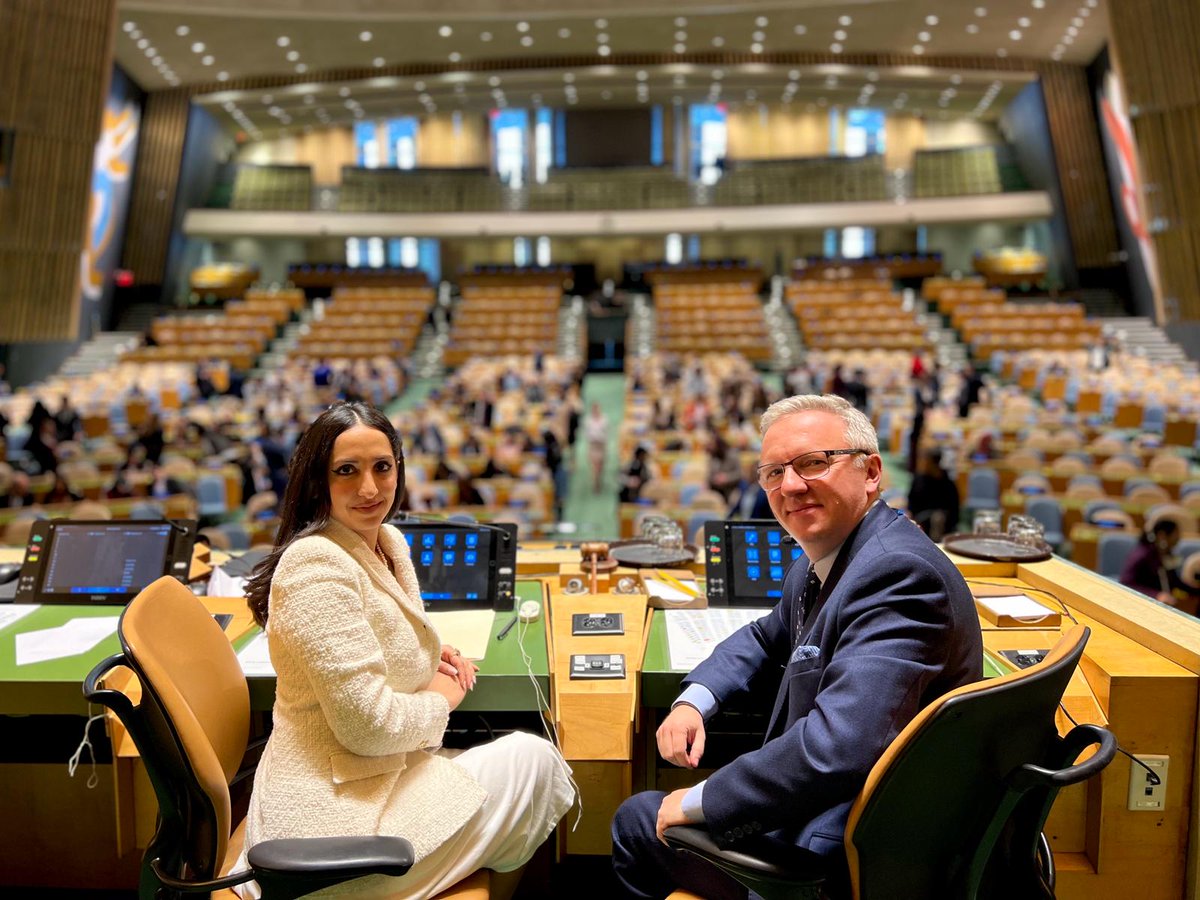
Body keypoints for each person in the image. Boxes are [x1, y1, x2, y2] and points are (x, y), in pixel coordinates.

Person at [612, 394, 982, 900]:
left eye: (813, 463)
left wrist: (701, 800)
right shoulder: (832, 553)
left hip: (843, 846)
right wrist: (695, 698)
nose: (789, 485)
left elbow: (835, 750)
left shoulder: (898, 575)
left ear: (871, 471)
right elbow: (768, 635)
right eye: (773, 472)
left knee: (637, 820)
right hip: (840, 808)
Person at [242, 402, 573, 899]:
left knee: (527, 765)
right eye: (347, 472)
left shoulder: (386, 541)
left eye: (383, 467)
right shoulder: (313, 565)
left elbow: (385, 629)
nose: (370, 488)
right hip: (326, 835)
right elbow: (367, 726)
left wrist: (429, 655)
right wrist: (443, 698)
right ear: (317, 480)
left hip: (374, 782)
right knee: (537, 762)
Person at [1119, 518, 1191, 607]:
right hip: (1141, 604)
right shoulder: (1142, 554)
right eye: (1176, 535)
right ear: (1162, 535)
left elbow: (1173, 581)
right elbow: (1126, 583)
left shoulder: (1165, 553)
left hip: (1163, 604)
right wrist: (1156, 595)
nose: (1178, 539)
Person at [906, 449, 960, 541]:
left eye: (925, 461)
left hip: (941, 523)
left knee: (937, 518)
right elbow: (911, 501)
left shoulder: (948, 483)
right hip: (920, 520)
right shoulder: (919, 479)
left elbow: (954, 511)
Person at [585, 401, 608, 493]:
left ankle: (598, 478)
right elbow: (587, 433)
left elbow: (607, 432)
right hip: (593, 445)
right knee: (595, 466)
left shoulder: (604, 419)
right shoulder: (588, 420)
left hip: (601, 445)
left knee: (601, 465)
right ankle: (596, 483)